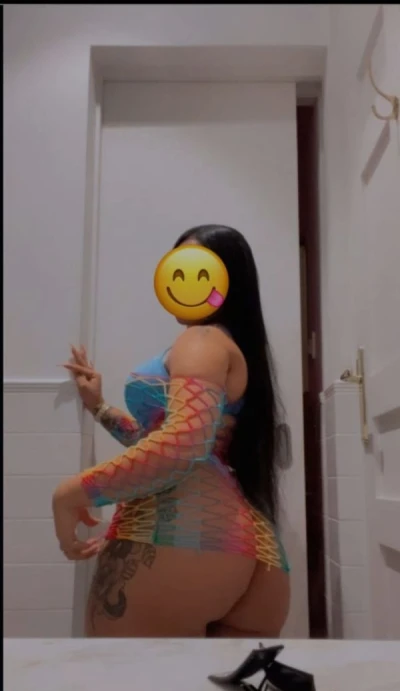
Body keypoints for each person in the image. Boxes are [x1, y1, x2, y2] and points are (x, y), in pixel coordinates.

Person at [53, 224, 290, 638]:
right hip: (250, 544)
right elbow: (184, 443)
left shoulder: (201, 340)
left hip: (177, 537)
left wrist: (72, 492)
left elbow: (180, 447)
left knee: (121, 670)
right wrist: (100, 407)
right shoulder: (229, 346)